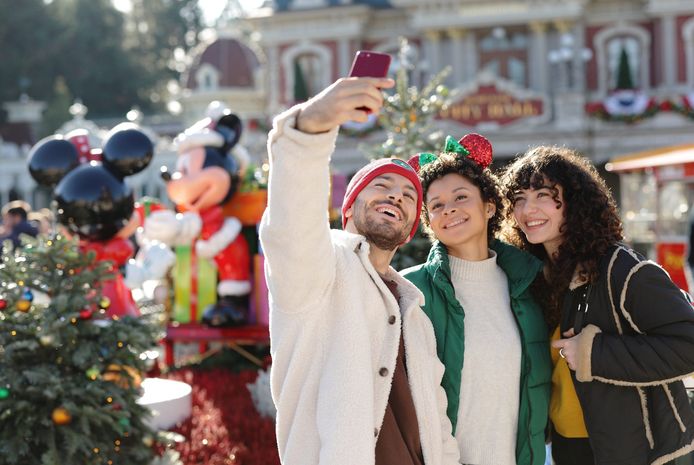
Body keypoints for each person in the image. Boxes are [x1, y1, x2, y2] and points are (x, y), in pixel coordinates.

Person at [258, 76, 460, 465]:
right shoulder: (320, 269)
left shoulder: (413, 307)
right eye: (381, 186)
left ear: (408, 231)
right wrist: (310, 128)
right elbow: (292, 222)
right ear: (348, 207)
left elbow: (437, 420)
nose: (395, 197)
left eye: (407, 197)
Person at [501, 145, 694, 465]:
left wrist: (595, 353)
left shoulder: (621, 269)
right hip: (566, 446)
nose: (527, 209)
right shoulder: (538, 275)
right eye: (519, 199)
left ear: (575, 202)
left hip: (630, 450)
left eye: (543, 195)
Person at [401, 137, 551, 465]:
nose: (449, 209)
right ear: (429, 221)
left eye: (461, 197)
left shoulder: (528, 284)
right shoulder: (410, 291)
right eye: (436, 205)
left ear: (489, 206)